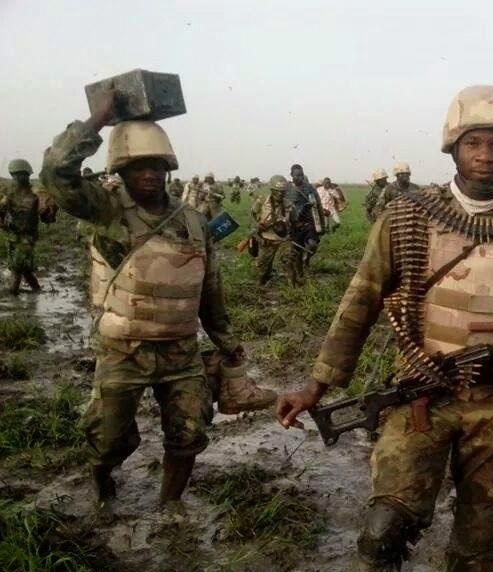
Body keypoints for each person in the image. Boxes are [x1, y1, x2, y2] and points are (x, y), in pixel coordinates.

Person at [277, 85, 493, 572]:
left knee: (482, 532)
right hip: (421, 395)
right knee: (387, 524)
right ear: (454, 148)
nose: (486, 154)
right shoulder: (407, 217)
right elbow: (358, 303)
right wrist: (317, 385)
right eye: (474, 142)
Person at [40, 90, 276, 514]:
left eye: (156, 166)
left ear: (168, 170)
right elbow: (57, 173)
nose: (148, 174)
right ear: (121, 171)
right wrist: (97, 120)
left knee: (188, 434)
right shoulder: (106, 209)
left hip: (180, 352)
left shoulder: (192, 222)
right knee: (107, 437)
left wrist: (227, 342)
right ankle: (102, 481)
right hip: (122, 350)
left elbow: (210, 289)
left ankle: (171, 506)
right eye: (137, 166)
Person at [0, 159, 50, 294]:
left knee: (17, 270)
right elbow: (1, 209)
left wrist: (47, 211)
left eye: (21, 174)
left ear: (26, 175)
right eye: (15, 175)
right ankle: (38, 292)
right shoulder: (10, 194)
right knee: (25, 270)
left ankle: (13, 298)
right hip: (12, 236)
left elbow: (46, 216)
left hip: (27, 238)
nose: (17, 178)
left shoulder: (36, 194)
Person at [252, 176, 297, 285]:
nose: (280, 194)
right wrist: (258, 227)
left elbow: (295, 222)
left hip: (283, 240)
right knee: (262, 273)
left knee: (288, 260)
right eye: (277, 191)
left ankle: (293, 287)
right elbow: (252, 216)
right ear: (271, 190)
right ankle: (265, 279)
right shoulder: (262, 202)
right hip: (266, 240)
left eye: (282, 192)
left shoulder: (289, 205)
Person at [285, 163, 325, 270]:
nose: (299, 177)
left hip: (308, 222)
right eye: (296, 175)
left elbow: (319, 206)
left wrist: (322, 225)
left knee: (313, 245)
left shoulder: (309, 188)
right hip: (293, 224)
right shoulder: (287, 189)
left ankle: (306, 259)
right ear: (291, 175)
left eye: (301, 175)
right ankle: (298, 272)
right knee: (296, 250)